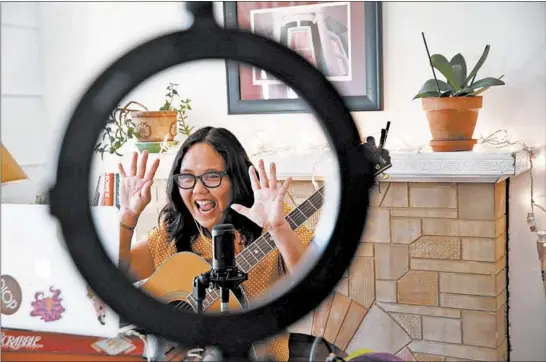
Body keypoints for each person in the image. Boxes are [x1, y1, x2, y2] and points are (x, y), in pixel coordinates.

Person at [117, 126, 314, 361]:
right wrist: (127, 217)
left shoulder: (274, 221)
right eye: (188, 177)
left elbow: (312, 285)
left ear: (235, 179)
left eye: (212, 176)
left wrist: (279, 229)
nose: (199, 189)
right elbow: (115, 277)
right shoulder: (169, 234)